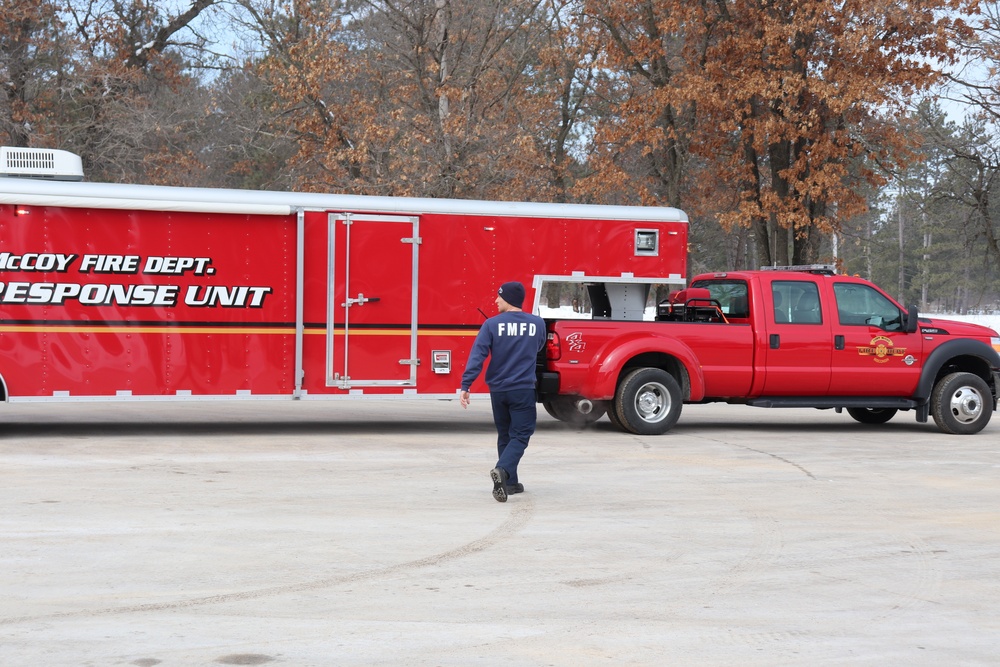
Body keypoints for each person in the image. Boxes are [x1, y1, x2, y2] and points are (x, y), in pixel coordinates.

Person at [460, 281, 546, 502]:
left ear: (509, 299)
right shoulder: (537, 323)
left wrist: (466, 385)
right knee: (521, 434)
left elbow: (477, 356)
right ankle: (503, 470)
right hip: (522, 389)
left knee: (505, 434)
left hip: (498, 391)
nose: (496, 300)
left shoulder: (491, 325)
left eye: (499, 297)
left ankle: (510, 483)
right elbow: (538, 347)